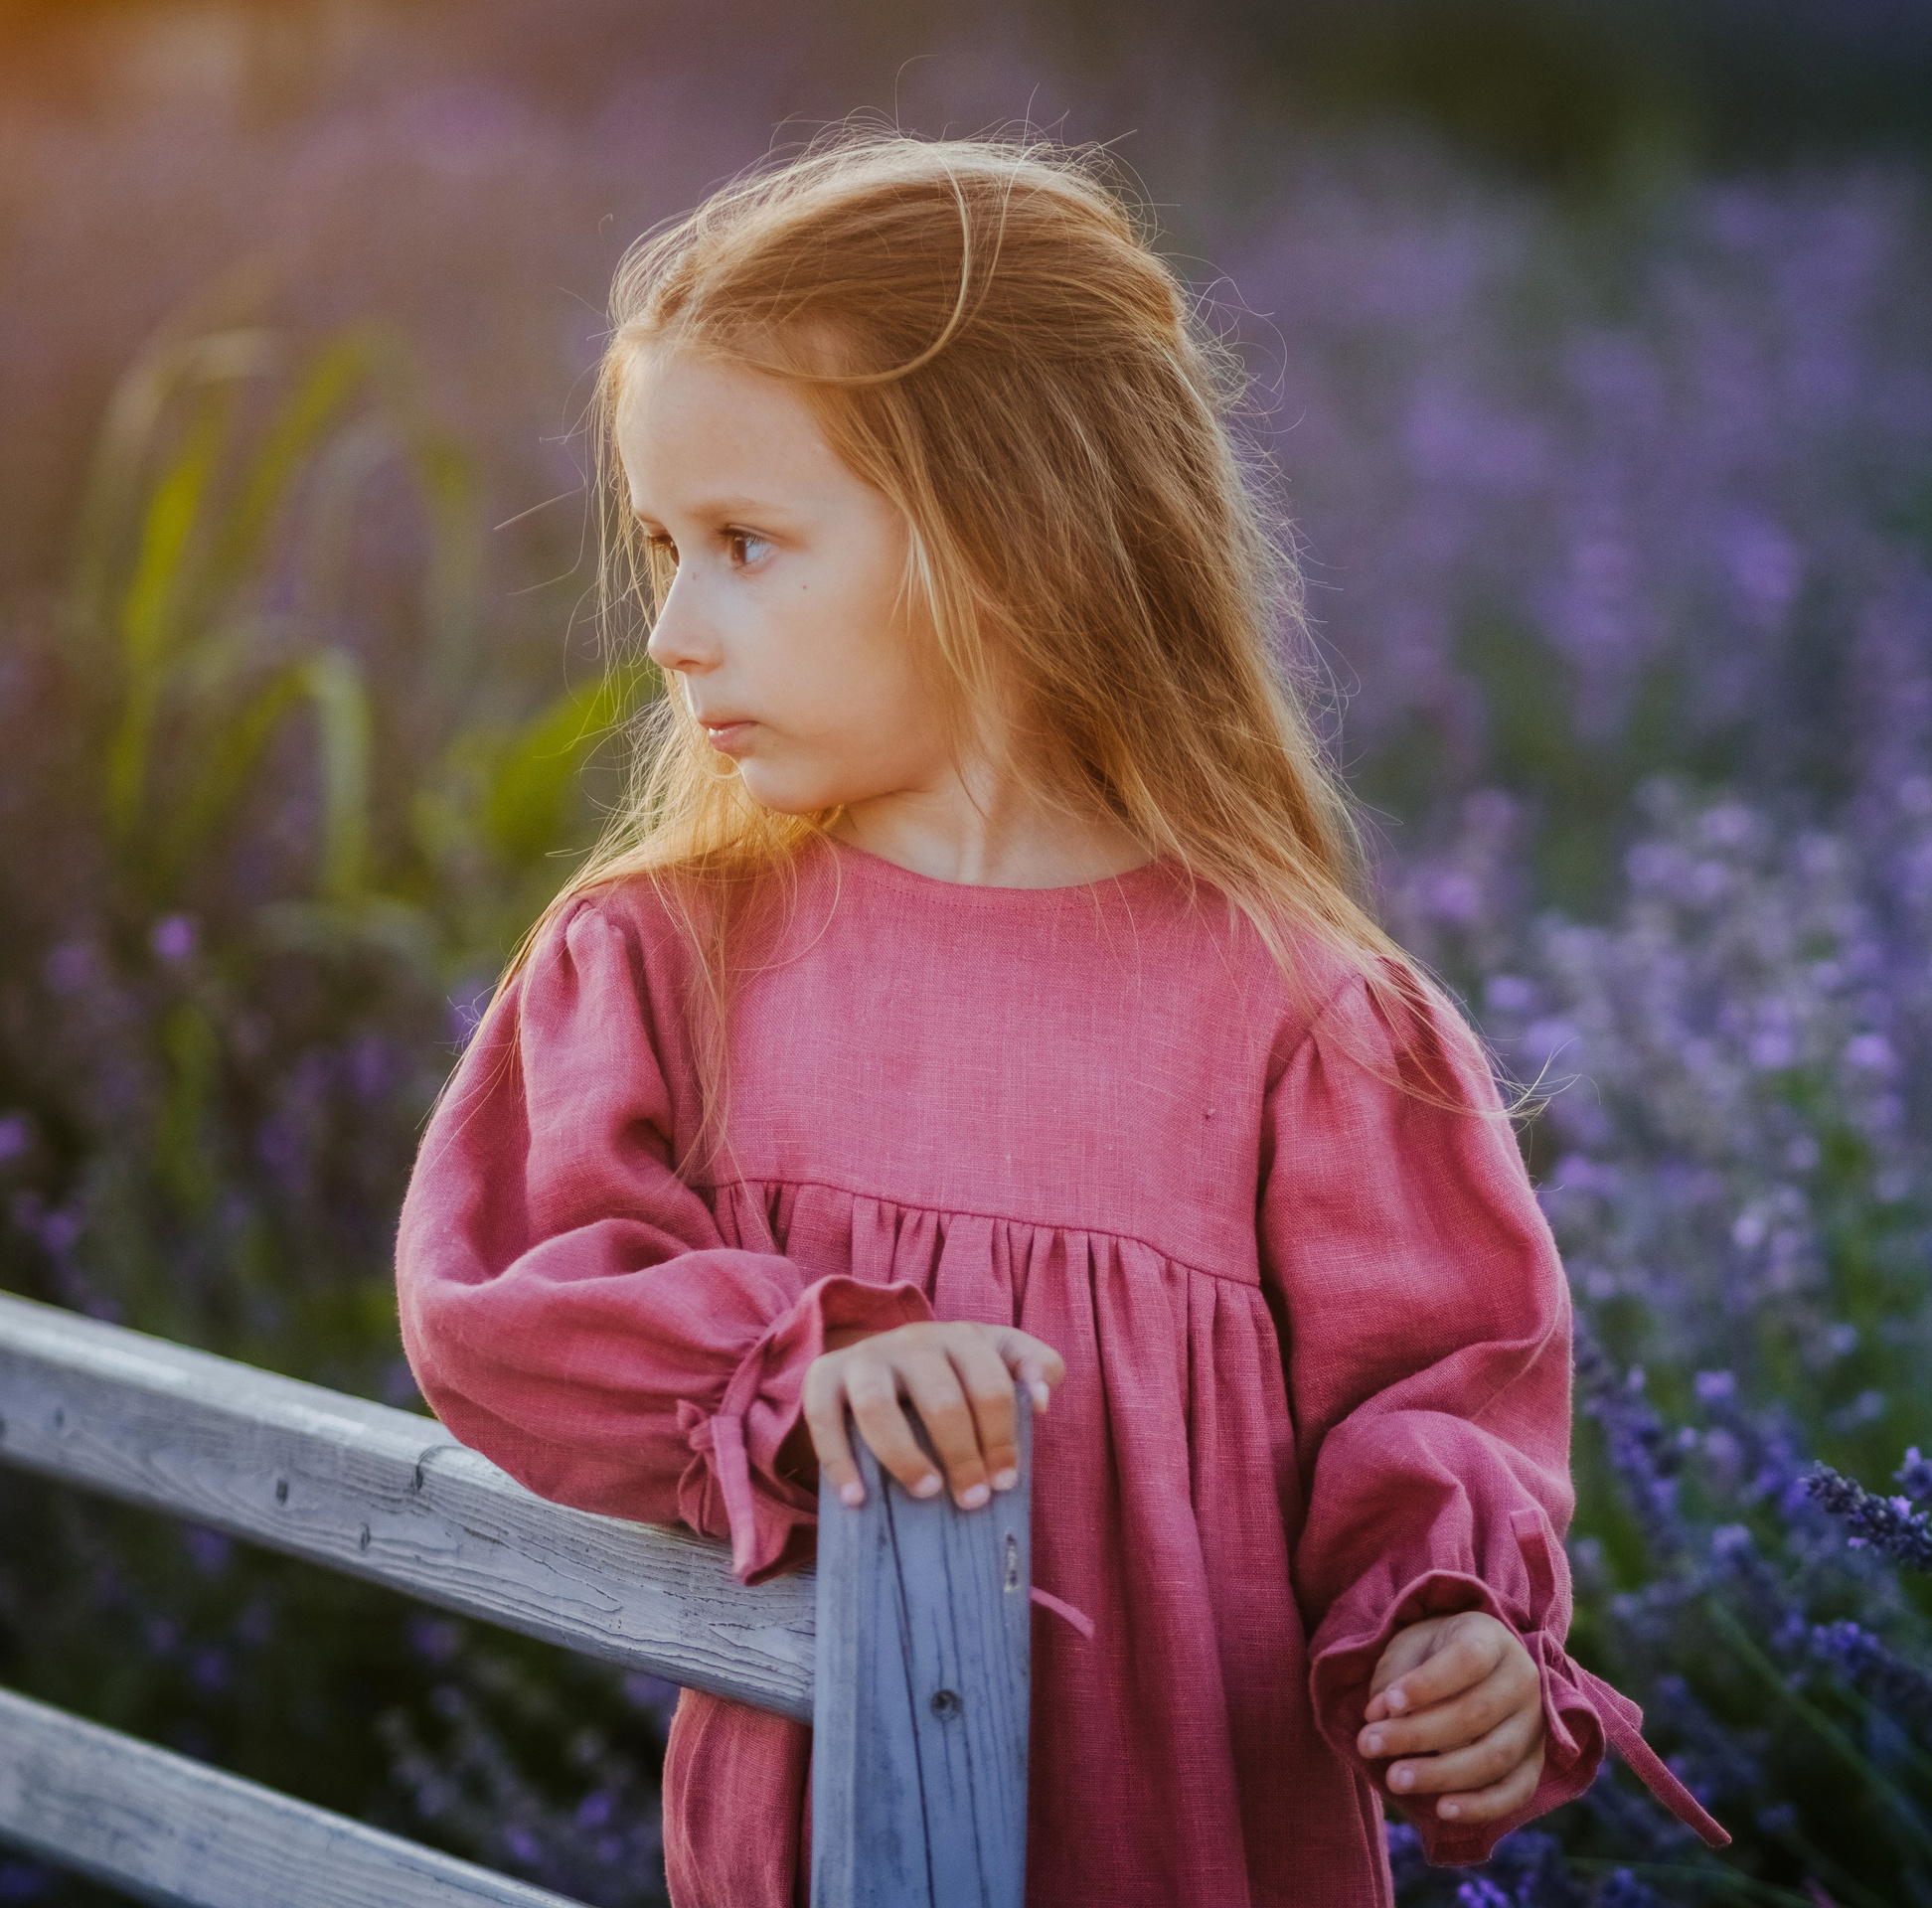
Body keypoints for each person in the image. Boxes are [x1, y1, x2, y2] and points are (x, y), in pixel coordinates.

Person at [393, 127, 1731, 1907]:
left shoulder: (1306, 1013)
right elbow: (505, 1300)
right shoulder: (658, 962)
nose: (675, 632)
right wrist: (789, 1366)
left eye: (746, 544)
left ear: (1006, 540)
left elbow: (1441, 1396)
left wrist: (1459, 1632)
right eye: (661, 550)